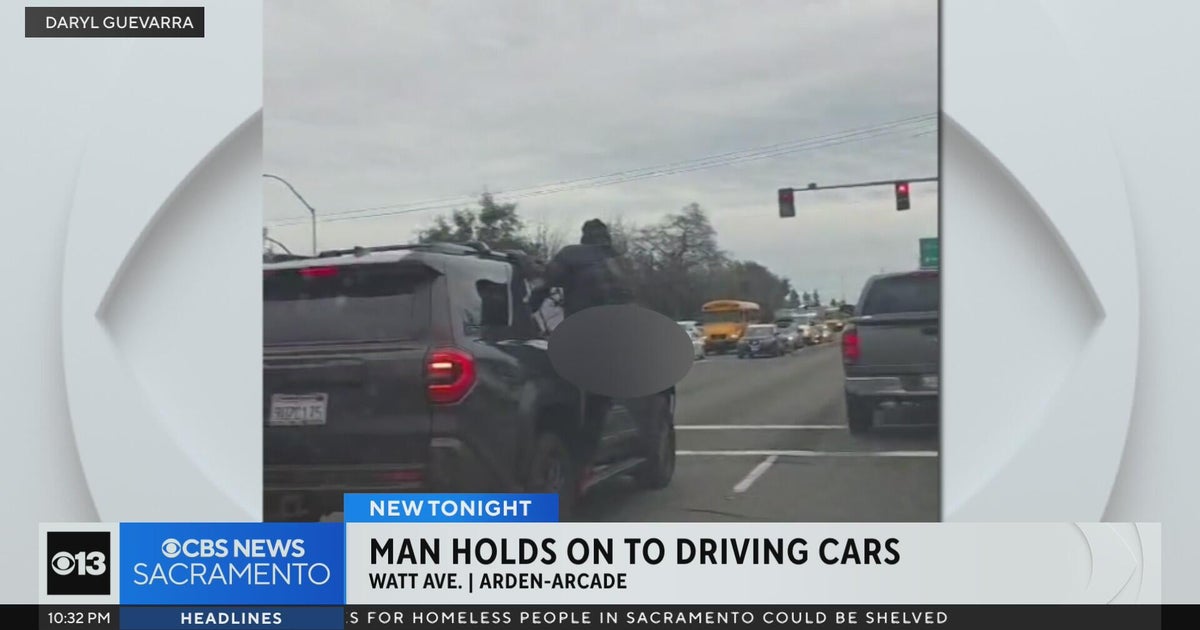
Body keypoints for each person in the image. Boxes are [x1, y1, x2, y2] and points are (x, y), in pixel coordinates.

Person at [527, 219, 633, 493]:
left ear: (584, 238)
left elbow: (543, 285)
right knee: (597, 404)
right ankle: (586, 464)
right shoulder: (616, 264)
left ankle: (573, 462)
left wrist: (528, 309)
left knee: (572, 401)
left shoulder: (572, 255)